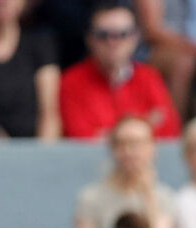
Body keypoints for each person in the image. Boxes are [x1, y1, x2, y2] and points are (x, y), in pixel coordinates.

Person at [73, 115, 176, 228]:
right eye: (122, 144)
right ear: (112, 149)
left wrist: (148, 195)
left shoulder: (163, 196)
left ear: (152, 148)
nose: (129, 151)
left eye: (137, 144)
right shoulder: (91, 198)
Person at [59, 1, 181, 141]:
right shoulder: (71, 82)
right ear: (89, 39)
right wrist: (145, 125)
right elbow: (81, 139)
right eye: (103, 35)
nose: (113, 42)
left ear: (135, 38)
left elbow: (169, 133)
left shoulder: (149, 77)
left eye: (122, 34)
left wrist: (107, 135)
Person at [0, 0, 62, 140]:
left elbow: (49, 114)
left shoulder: (39, 43)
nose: (2, 1)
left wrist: (43, 156)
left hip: (34, 149)